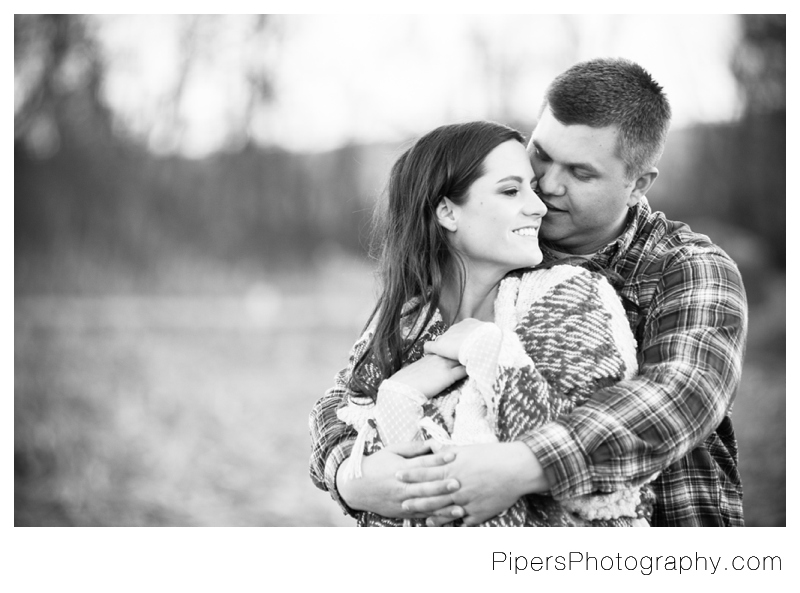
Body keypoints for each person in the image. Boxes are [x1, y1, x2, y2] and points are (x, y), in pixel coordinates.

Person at [312, 57, 748, 527]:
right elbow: (348, 393)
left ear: (638, 184)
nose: (547, 187)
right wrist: (349, 475)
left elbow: (680, 397)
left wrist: (518, 468)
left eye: (581, 173)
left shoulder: (684, 267)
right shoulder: (499, 247)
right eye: (541, 155)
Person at [310, 120, 654, 527]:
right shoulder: (409, 322)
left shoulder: (571, 298)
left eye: (533, 188)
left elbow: (594, 468)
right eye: (511, 191)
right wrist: (394, 404)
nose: (539, 206)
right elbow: (335, 414)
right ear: (446, 212)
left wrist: (489, 352)